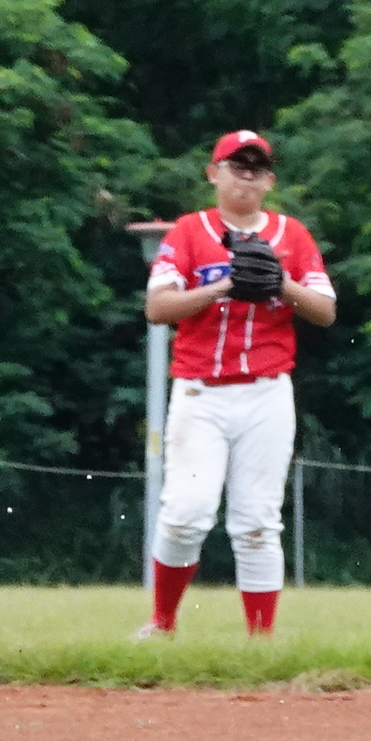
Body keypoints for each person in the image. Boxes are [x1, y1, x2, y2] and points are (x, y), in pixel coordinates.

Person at [139, 130, 335, 637]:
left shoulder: (292, 235)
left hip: (266, 392)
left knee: (256, 522)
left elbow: (325, 310)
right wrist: (226, 284)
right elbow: (157, 308)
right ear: (213, 174)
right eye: (235, 166)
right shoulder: (189, 231)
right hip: (200, 390)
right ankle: (162, 623)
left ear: (269, 181)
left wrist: (281, 283)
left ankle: (260, 640)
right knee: (185, 513)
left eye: (256, 169)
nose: (246, 177)